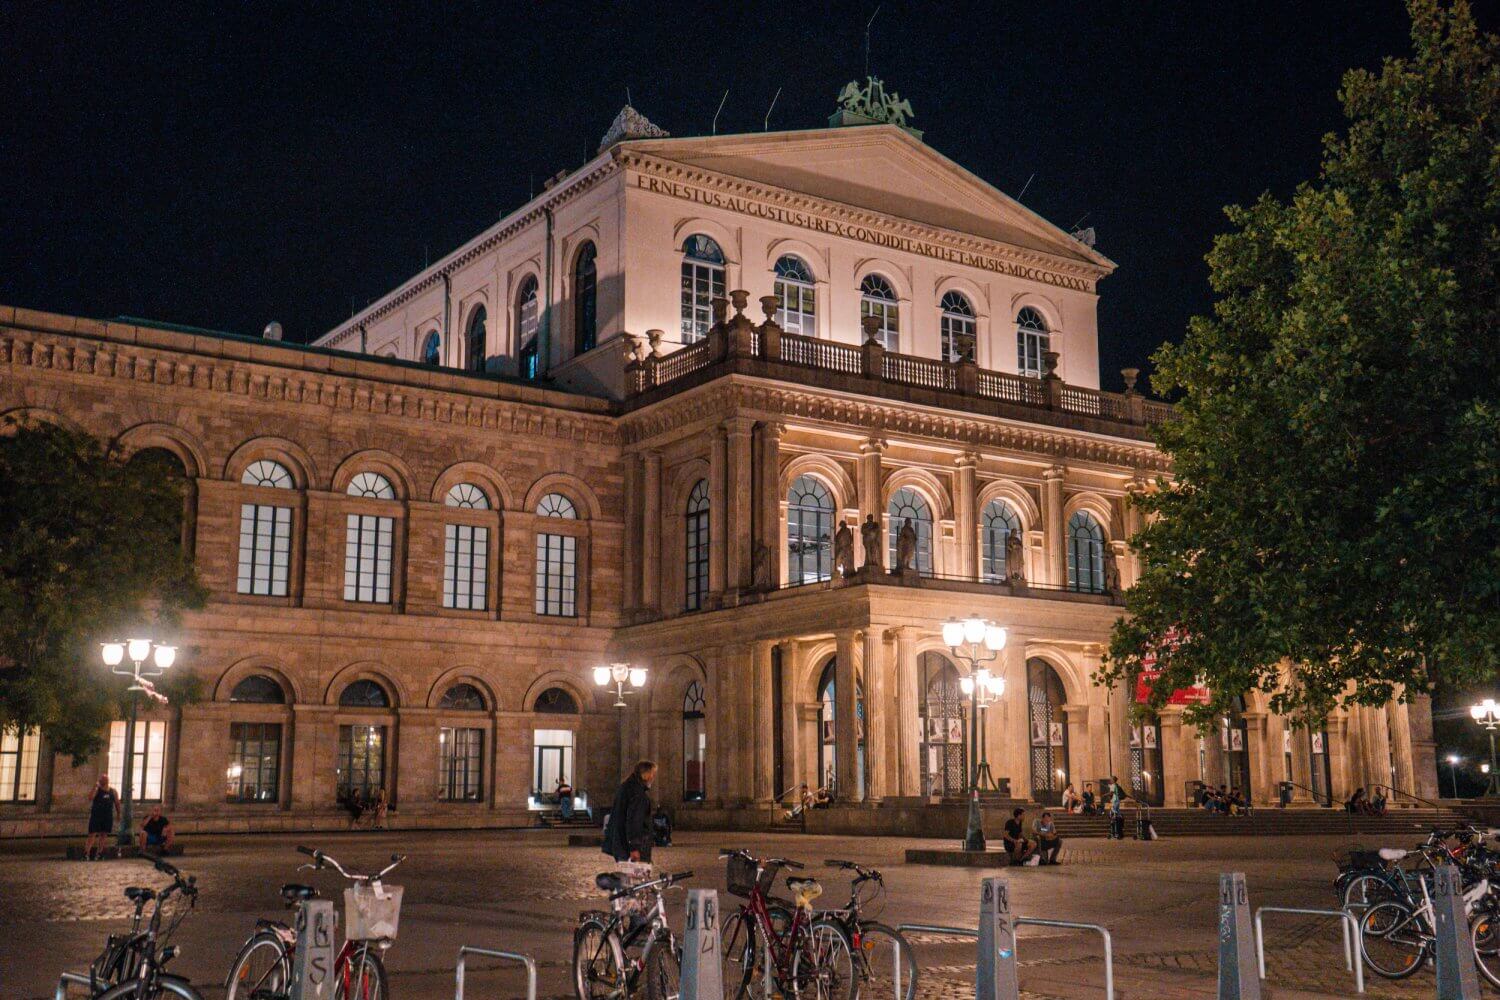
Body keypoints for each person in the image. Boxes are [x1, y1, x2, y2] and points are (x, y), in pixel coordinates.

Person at [602, 760, 657, 863]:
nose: (653, 778)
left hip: (620, 844)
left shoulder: (625, 788)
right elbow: (635, 821)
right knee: (634, 876)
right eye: (653, 774)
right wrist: (634, 848)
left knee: (626, 876)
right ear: (646, 775)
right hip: (629, 848)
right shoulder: (638, 794)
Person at [85, 775, 120, 861]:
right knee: (92, 834)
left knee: (104, 835)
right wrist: (94, 787)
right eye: (100, 779)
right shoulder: (97, 790)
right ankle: (86, 853)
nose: (101, 781)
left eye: (103, 779)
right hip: (96, 816)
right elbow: (90, 798)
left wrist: (119, 813)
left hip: (107, 816)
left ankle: (99, 853)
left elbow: (117, 803)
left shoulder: (113, 791)